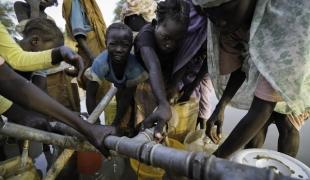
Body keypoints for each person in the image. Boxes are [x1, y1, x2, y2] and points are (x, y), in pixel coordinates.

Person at [193, 0, 310, 158]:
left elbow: (262, 109)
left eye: (223, 7)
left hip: (295, 70)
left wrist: (211, 161)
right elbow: (242, 67)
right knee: (258, 128)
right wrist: (221, 106)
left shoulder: (287, 21)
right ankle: (250, 168)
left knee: (287, 122)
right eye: (208, 12)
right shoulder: (231, 23)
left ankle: (286, 170)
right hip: (266, 70)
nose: (217, 19)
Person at [0, 21, 114, 157]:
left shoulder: (37, 67)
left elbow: (39, 95)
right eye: (50, 50)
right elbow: (11, 81)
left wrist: (65, 117)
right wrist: (19, 114)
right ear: (35, 41)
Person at [133, 0, 191, 140]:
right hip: (143, 77)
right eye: (165, 37)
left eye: (177, 40)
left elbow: (183, 61)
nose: (170, 44)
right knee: (141, 120)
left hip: (164, 79)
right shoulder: (145, 36)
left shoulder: (180, 37)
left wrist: (173, 86)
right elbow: (153, 65)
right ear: (155, 25)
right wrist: (163, 102)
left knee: (164, 121)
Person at [85, 23, 148, 136]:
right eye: (113, 44)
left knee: (135, 110)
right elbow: (90, 95)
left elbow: (126, 97)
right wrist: (96, 125)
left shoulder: (134, 67)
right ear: (106, 44)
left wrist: (115, 123)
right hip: (119, 82)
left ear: (131, 46)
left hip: (140, 85)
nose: (119, 49)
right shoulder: (100, 63)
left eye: (125, 45)